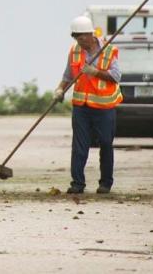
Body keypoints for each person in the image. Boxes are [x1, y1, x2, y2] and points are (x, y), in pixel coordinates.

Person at [54, 15, 122, 194]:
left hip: (104, 106)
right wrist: (60, 90)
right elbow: (68, 76)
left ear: (89, 34)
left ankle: (105, 183)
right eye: (76, 37)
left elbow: (116, 76)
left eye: (81, 37)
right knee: (79, 146)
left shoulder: (109, 50)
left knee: (106, 143)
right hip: (81, 107)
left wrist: (95, 72)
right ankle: (77, 183)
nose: (79, 41)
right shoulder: (75, 51)